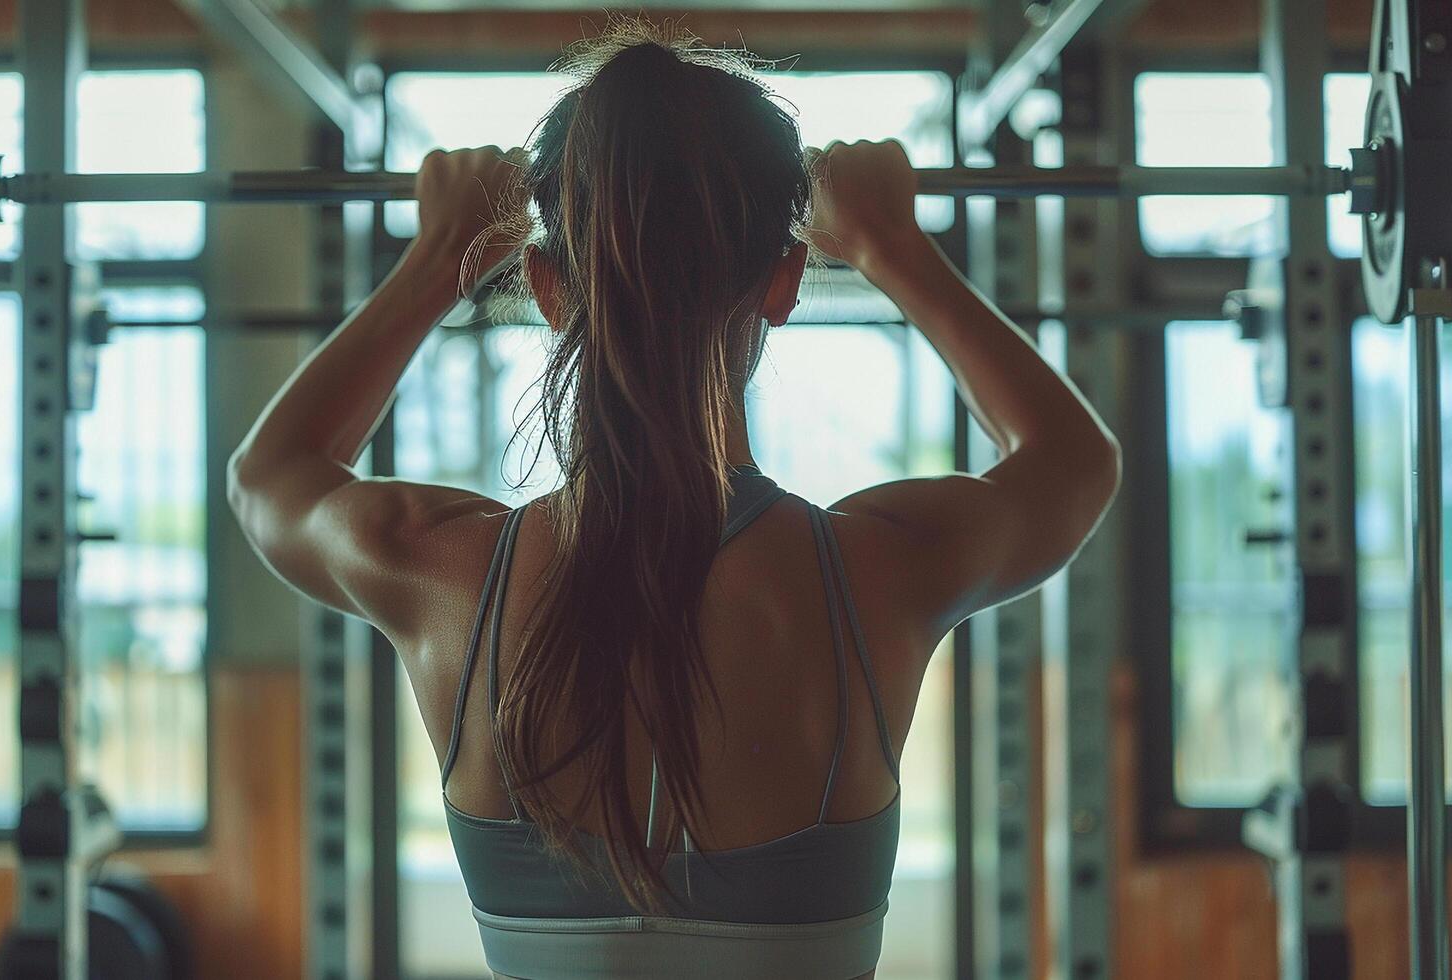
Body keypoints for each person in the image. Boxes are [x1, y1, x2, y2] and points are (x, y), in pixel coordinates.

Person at [228, 22, 1119, 980]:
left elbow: (271, 473)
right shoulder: (879, 570)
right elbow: (1070, 461)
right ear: (783, 285)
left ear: (545, 287)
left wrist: (439, 255)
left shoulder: (438, 570)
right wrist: (893, 246)